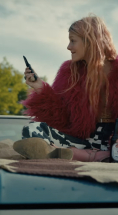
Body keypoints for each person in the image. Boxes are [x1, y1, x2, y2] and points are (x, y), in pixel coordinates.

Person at [13, 15, 118, 162]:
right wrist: (40, 87)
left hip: (113, 142)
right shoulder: (68, 71)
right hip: (80, 141)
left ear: (90, 41)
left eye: (73, 41)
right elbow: (60, 117)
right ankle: (84, 155)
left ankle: (66, 153)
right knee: (32, 129)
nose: (68, 47)